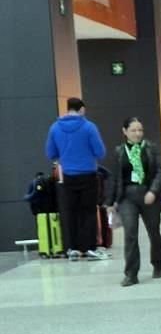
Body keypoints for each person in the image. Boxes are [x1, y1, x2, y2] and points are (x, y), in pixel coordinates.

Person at [45, 97, 108, 261]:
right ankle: (89, 248)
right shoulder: (89, 127)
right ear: (81, 109)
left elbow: (50, 153)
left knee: (71, 212)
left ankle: (72, 248)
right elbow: (100, 152)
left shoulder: (54, 128)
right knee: (88, 212)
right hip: (88, 175)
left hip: (68, 177)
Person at [108, 117, 161, 286]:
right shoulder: (119, 152)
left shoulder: (151, 148)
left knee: (153, 232)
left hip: (148, 194)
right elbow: (115, 178)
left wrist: (153, 191)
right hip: (127, 197)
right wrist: (110, 202)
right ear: (124, 132)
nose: (138, 133)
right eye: (133, 130)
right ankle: (131, 273)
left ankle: (157, 264)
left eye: (140, 130)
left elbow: (159, 171)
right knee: (130, 233)